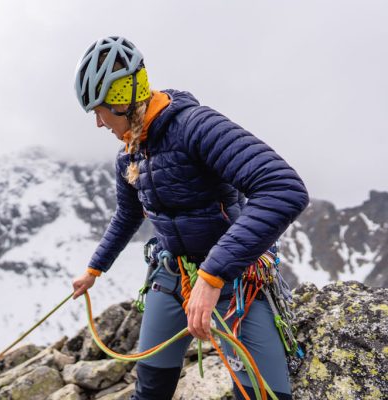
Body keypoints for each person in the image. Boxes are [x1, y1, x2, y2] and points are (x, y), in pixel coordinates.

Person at [71, 36, 309, 400]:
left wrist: (213, 277)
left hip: (236, 282)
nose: (99, 124)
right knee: (149, 389)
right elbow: (127, 215)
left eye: (98, 111)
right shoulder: (130, 156)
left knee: (263, 395)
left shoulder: (196, 126)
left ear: (122, 103)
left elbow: (282, 188)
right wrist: (93, 270)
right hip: (173, 276)